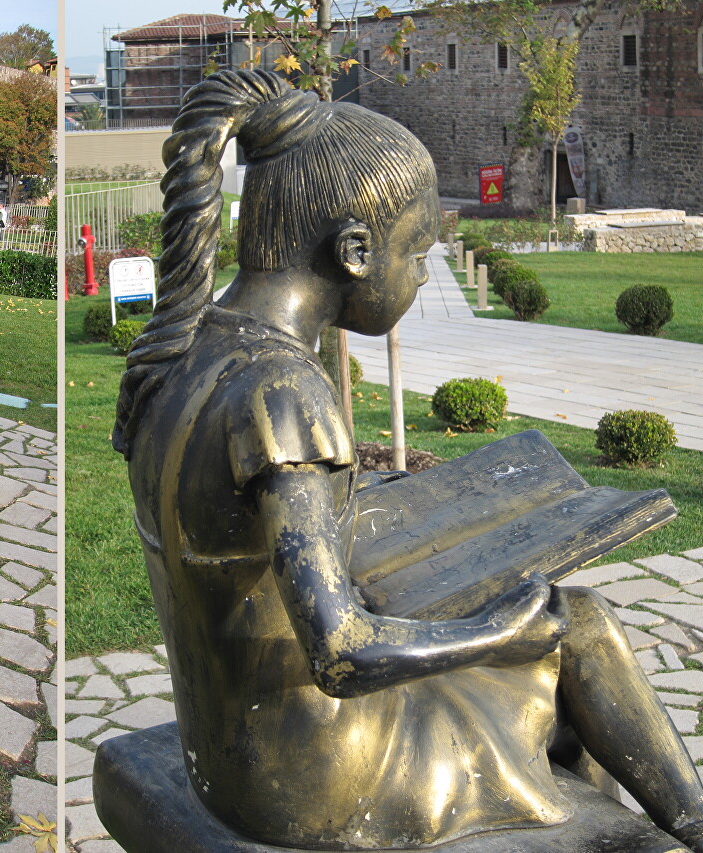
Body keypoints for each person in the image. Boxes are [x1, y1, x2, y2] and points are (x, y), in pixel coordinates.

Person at [112, 69, 703, 851]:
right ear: (355, 250)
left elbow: (241, 535)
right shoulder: (282, 390)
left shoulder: (181, 352)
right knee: (578, 624)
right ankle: (687, 826)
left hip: (229, 752)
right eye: (417, 252)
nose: (424, 273)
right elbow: (341, 652)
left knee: (551, 651)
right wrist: (495, 629)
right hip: (318, 773)